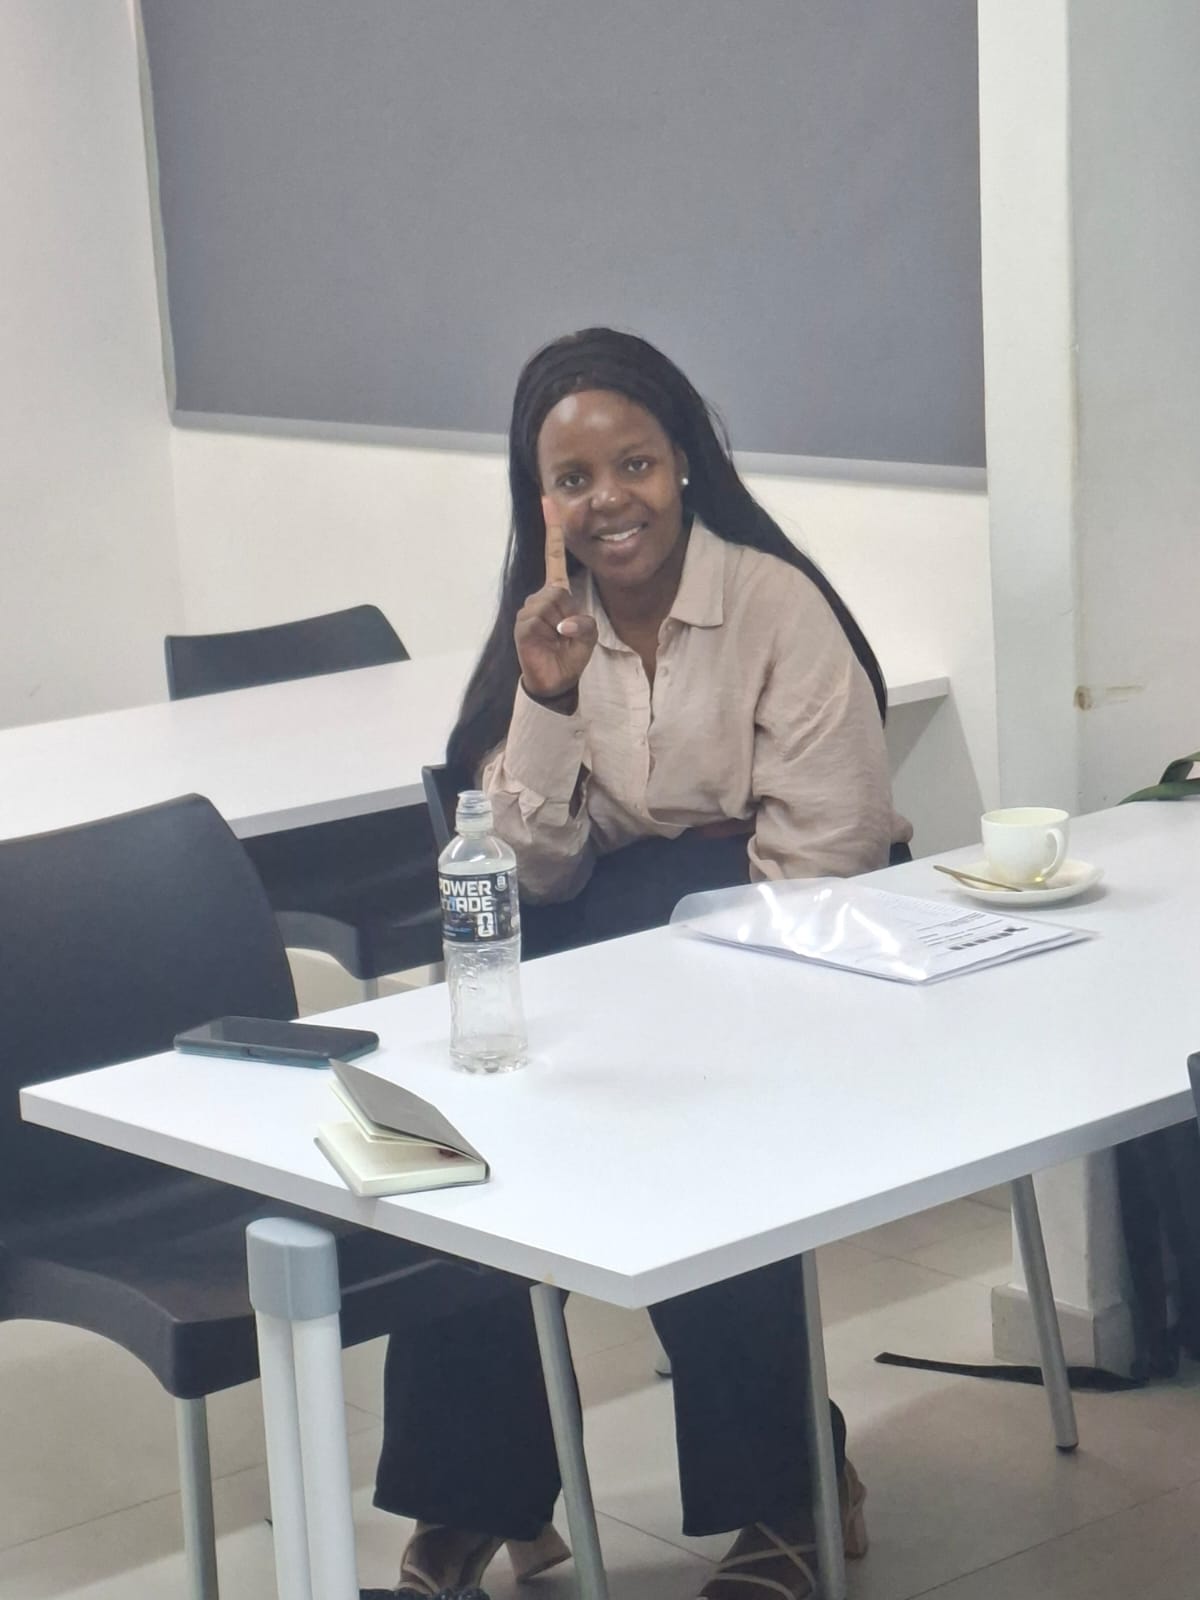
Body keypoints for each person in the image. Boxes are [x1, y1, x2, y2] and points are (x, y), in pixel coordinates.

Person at [374, 328, 910, 1600]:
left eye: (636, 464)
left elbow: (828, 853)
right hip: (597, 956)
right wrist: (549, 697)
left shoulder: (775, 605)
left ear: (686, 465)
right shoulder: (544, 629)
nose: (609, 499)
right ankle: (474, 1492)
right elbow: (530, 872)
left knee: (695, 1150)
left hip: (772, 962)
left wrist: (683, 965)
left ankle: (790, 1487)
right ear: (540, 501)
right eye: (573, 479)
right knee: (470, 1146)